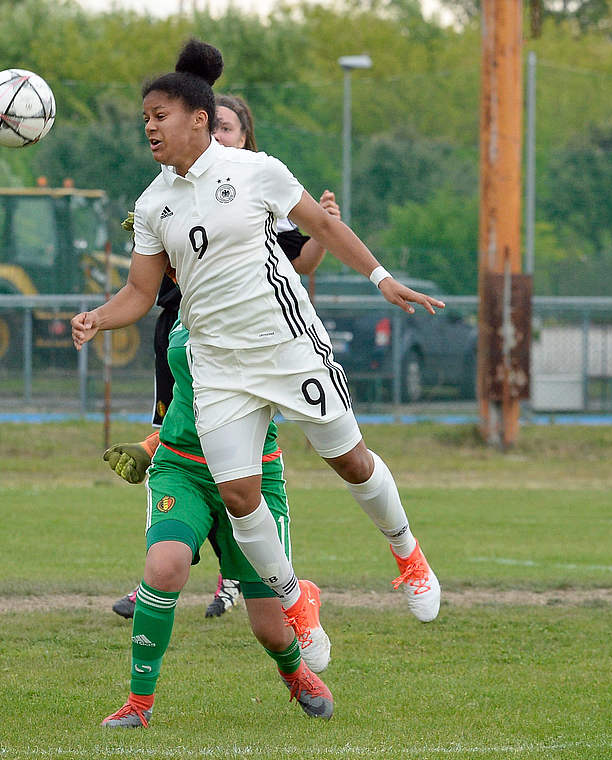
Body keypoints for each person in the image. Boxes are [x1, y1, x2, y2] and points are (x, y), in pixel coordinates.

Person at [73, 39, 444, 631]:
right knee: (241, 494)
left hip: (286, 346)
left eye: (159, 116)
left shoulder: (255, 172)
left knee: (350, 462)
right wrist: (98, 315)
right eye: (144, 118)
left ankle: (409, 556)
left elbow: (320, 226)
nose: (149, 128)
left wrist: (382, 278)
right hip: (217, 364)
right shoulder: (152, 205)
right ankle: (295, 601)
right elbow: (140, 294)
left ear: (198, 120)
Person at [109, 92, 338, 621]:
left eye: (229, 129)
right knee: (184, 444)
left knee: (235, 462)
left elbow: (301, 257)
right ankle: (168, 571)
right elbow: (144, 278)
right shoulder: (164, 197)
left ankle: (241, 579)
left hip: (239, 345)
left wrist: (324, 226)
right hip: (179, 335)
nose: (221, 136)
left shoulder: (252, 193)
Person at [100, 320, 333, 727]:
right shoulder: (182, 308)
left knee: (272, 631)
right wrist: (148, 445)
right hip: (183, 468)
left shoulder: (262, 308)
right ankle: (139, 704)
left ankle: (294, 669)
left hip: (250, 473)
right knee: (164, 566)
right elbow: (186, 397)